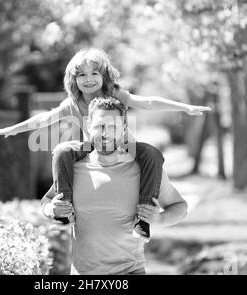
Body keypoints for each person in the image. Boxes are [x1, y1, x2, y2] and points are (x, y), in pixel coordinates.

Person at [0, 48, 207, 241]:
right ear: (73, 79)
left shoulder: (115, 95)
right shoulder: (73, 103)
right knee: (62, 150)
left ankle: (142, 220)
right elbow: (45, 119)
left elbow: (148, 102)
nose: (88, 79)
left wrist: (184, 107)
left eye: (94, 73)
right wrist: (14, 129)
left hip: (126, 147)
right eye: (82, 74)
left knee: (151, 153)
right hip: (93, 147)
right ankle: (65, 211)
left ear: (104, 76)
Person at [41, 96, 187, 275]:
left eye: (113, 127)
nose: (105, 133)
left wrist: (160, 219)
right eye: (100, 126)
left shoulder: (145, 171)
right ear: (88, 126)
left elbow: (180, 207)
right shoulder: (73, 168)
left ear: (124, 129)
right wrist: (50, 209)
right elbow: (47, 201)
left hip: (130, 271)